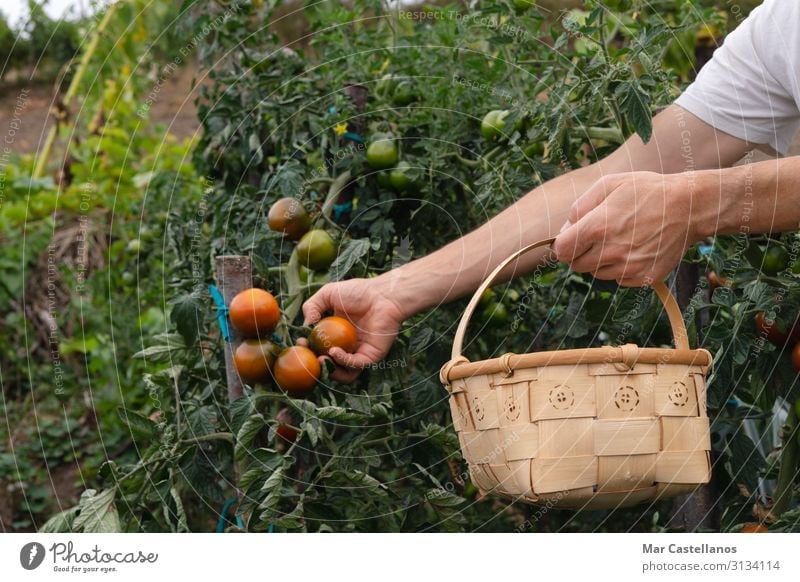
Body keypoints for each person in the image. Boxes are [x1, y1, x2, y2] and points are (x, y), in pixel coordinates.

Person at [303, 0, 800, 382]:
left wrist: (696, 202)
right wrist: (395, 290)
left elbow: (682, 186)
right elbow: (623, 173)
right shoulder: (780, 25)